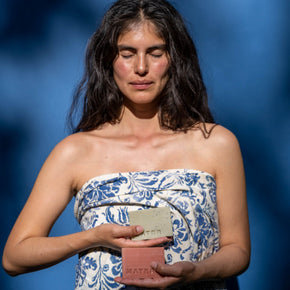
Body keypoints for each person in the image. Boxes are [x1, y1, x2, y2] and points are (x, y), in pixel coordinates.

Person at [2, 0, 250, 289]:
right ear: (109, 60)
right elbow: (14, 256)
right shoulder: (75, 152)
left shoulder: (216, 143)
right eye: (127, 54)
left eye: (155, 53)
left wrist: (195, 271)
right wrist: (92, 238)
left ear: (174, 58)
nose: (141, 68)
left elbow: (239, 251)